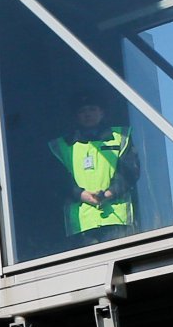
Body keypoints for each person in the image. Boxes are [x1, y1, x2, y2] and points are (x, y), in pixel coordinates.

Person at [49, 93, 140, 245]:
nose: (87, 114)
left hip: (116, 221)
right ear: (76, 116)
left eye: (92, 109)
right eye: (82, 111)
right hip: (81, 224)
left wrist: (110, 193)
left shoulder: (121, 137)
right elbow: (57, 180)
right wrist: (81, 194)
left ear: (101, 112)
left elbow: (130, 171)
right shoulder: (62, 146)